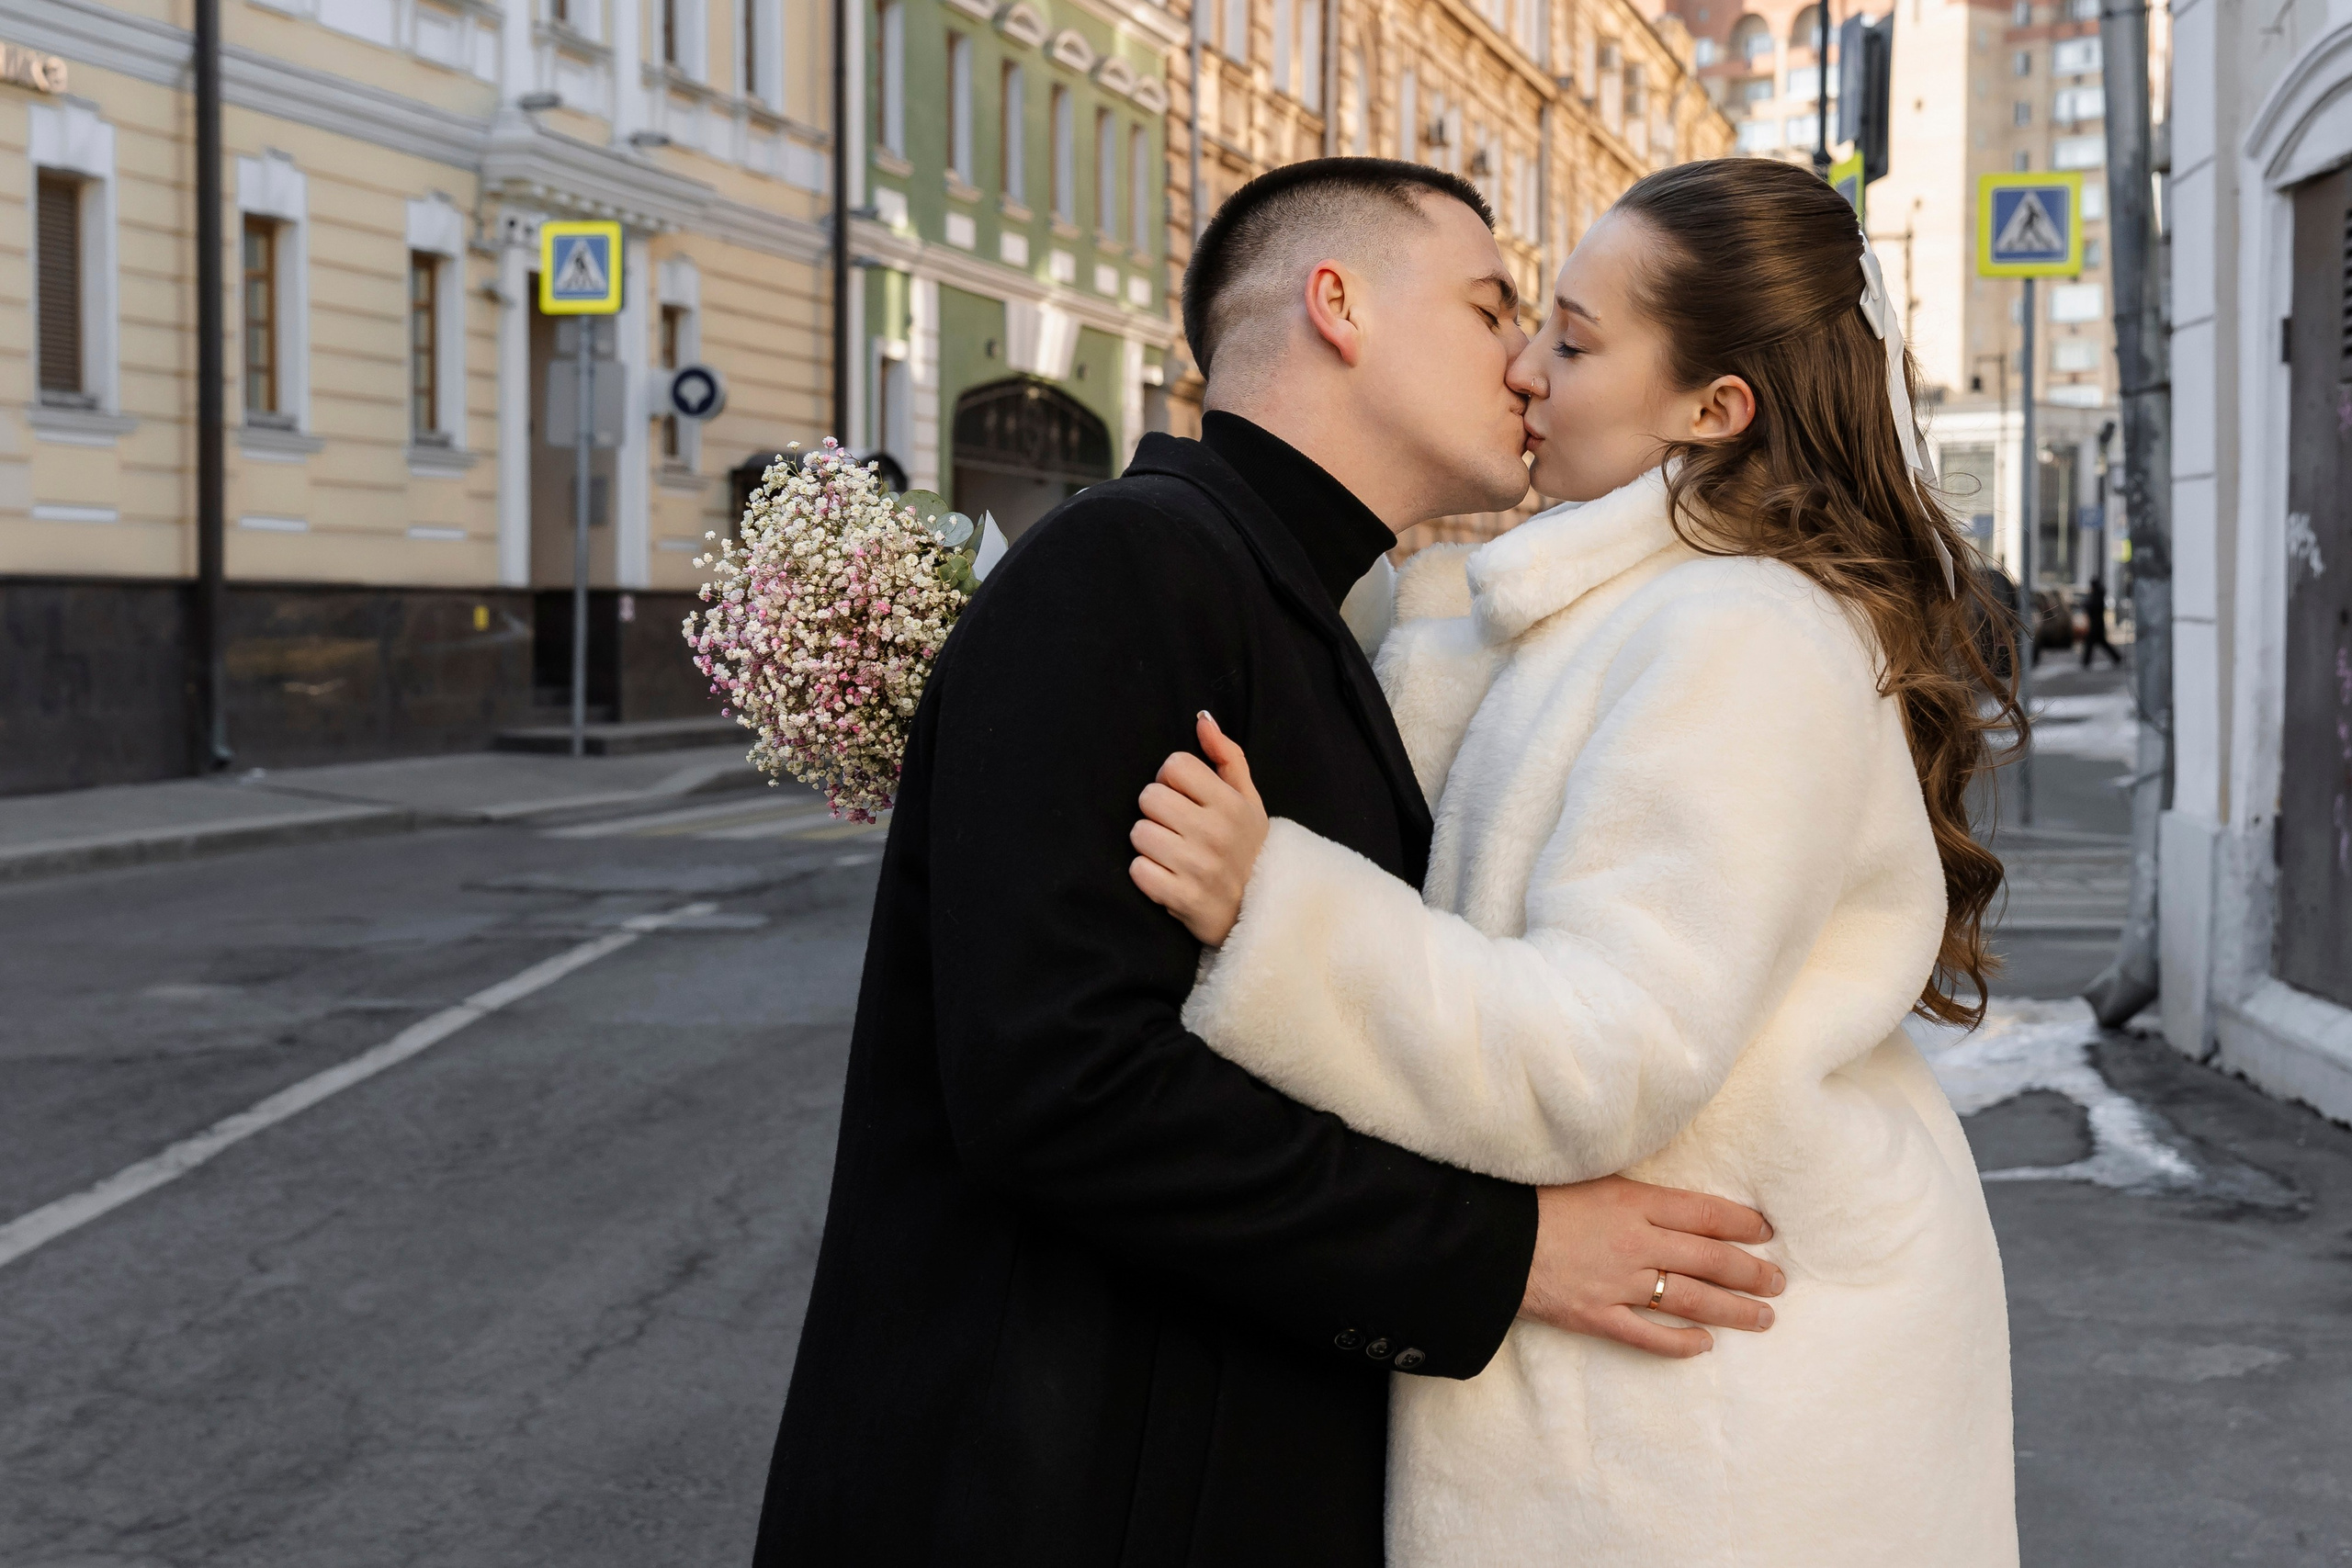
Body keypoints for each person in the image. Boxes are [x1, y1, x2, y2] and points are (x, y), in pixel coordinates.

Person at [751, 159, 1784, 1567]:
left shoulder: (1285, 597)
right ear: (1338, 305)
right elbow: (1064, 1084)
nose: (1530, 363)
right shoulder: (1130, 567)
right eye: (1492, 307)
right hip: (1054, 1491)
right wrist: (1504, 1250)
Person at [1129, 158, 2021, 1565]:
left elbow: (1598, 1053)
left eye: (1572, 337)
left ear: (1713, 409)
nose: (1525, 370)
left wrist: (1280, 909)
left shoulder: (1737, 640)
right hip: (1648, 1392)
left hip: (1701, 1432)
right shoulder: (1604, 618)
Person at [2081, 573, 2122, 666]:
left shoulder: (2097, 595)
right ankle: (2117, 658)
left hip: (2097, 624)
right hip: (2097, 624)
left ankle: (2086, 662)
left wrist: (2086, 606)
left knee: (2092, 643)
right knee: (2100, 643)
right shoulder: (2098, 594)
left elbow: (2094, 607)